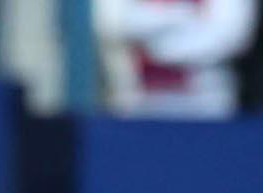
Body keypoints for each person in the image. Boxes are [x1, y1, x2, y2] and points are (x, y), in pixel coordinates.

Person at [95, 0, 258, 118]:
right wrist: (185, 14)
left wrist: (155, 47)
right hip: (134, 99)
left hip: (207, 96)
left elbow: (229, 36)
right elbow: (114, 24)